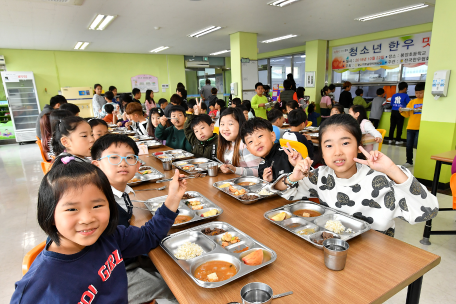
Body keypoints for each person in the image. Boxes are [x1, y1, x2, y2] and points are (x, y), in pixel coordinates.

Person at [10, 154, 185, 303]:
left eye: (97, 206)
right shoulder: (41, 286)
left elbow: (148, 236)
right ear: (49, 214)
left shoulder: (109, 236)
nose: (87, 219)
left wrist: (172, 199)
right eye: (72, 209)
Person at [273, 114, 438, 237]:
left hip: (375, 254)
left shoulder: (382, 178)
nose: (337, 152)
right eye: (329, 145)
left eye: (345, 143)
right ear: (321, 152)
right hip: (333, 246)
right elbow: (282, 191)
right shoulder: (321, 176)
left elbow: (429, 211)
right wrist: (292, 178)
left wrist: (393, 170)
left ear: (359, 146)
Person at [241, 117, 302, 182]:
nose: (256, 143)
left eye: (260, 136)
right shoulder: (262, 166)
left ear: (272, 136)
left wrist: (298, 166)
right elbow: (267, 190)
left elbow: (309, 177)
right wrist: (266, 182)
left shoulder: (289, 155)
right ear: (248, 149)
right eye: (250, 141)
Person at [218, 108, 262, 176]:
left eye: (230, 124)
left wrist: (235, 170)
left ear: (240, 124)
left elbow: (258, 171)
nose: (225, 128)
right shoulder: (226, 144)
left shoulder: (245, 145)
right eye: (222, 124)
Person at [400, 83, 425, 168]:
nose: (418, 94)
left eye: (421, 93)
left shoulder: (427, 102)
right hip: (410, 127)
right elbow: (407, 114)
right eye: (417, 93)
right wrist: (402, 111)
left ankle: (421, 160)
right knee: (409, 145)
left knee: (417, 144)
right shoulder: (412, 102)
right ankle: (409, 161)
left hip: (420, 127)